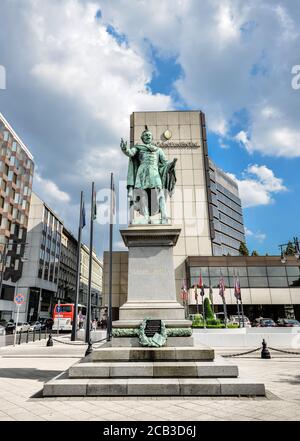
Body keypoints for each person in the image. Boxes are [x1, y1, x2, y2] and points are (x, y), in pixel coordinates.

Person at [120, 126, 177, 224]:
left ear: (152, 137)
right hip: (142, 172)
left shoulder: (158, 150)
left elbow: (165, 163)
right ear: (142, 138)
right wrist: (125, 149)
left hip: (154, 172)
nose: (148, 136)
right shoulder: (138, 148)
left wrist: (171, 165)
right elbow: (130, 153)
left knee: (160, 193)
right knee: (143, 194)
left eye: (149, 135)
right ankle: (146, 217)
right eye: (146, 135)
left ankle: (164, 216)